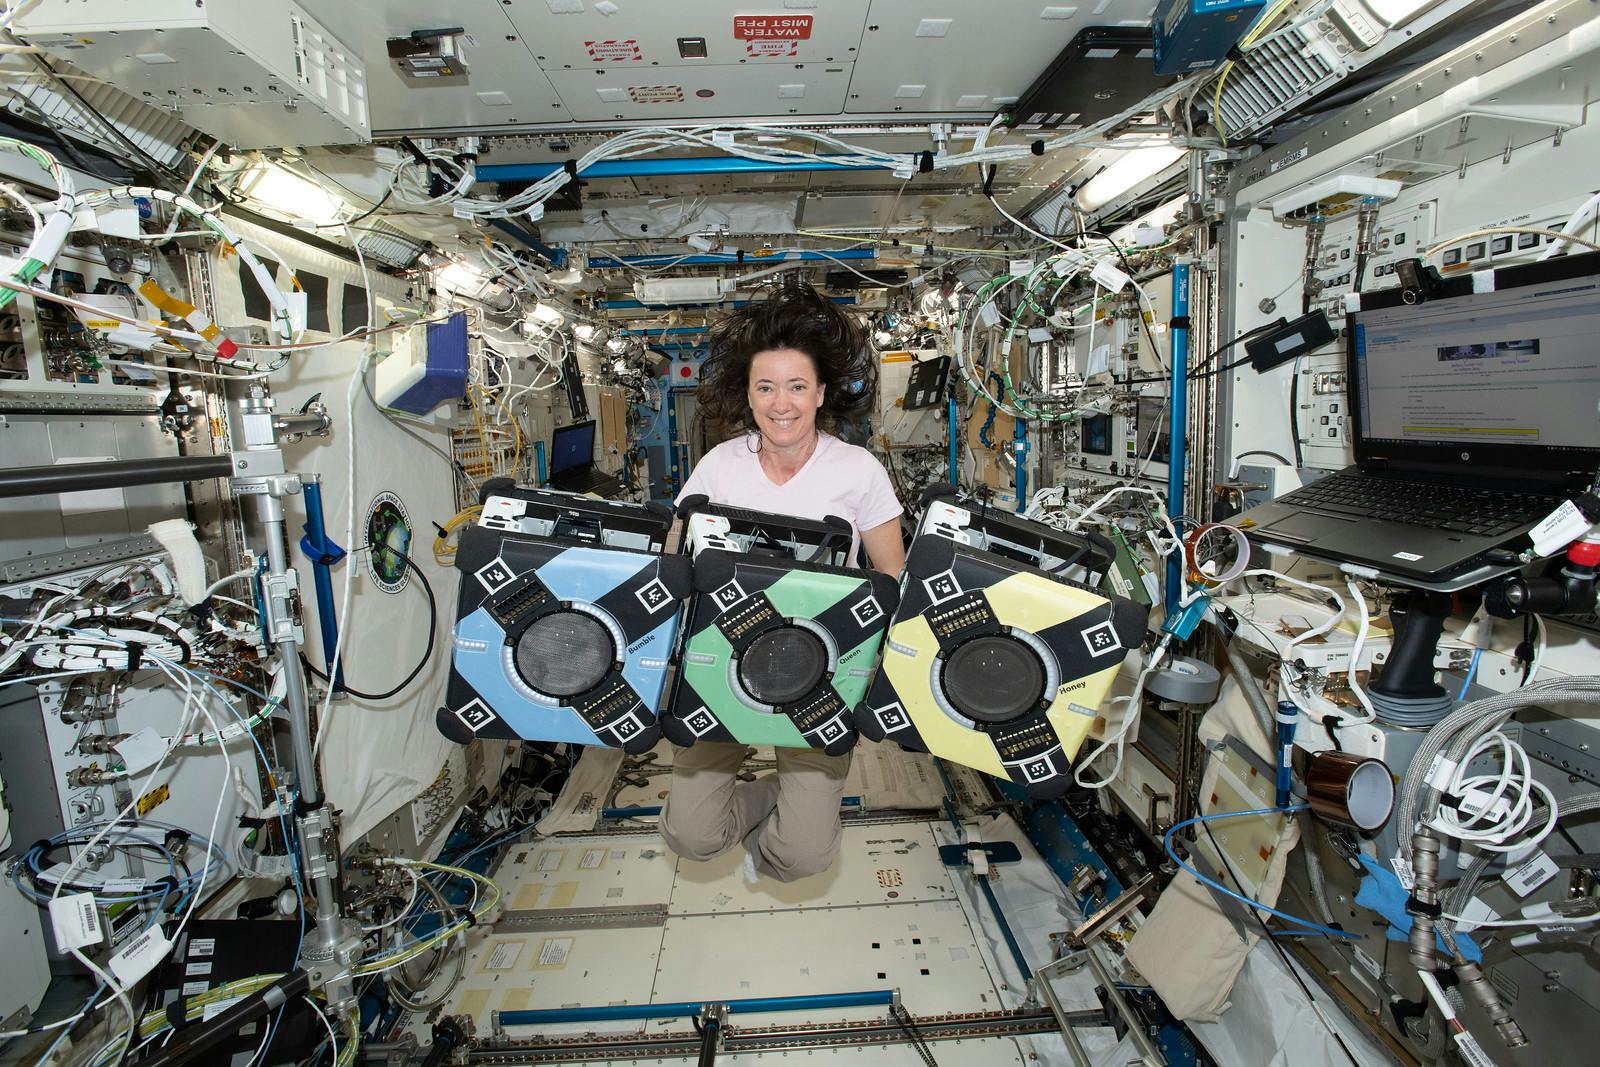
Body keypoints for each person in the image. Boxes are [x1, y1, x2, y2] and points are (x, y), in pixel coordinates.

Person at [659, 283, 905, 883]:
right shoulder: (720, 464)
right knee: (690, 836)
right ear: (748, 395)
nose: (781, 404)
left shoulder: (858, 471)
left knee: (800, 856)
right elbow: (670, 563)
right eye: (765, 387)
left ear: (821, 393)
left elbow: (892, 582)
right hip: (723, 666)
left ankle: (790, 813)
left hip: (818, 675)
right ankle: (762, 796)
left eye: (796, 386)